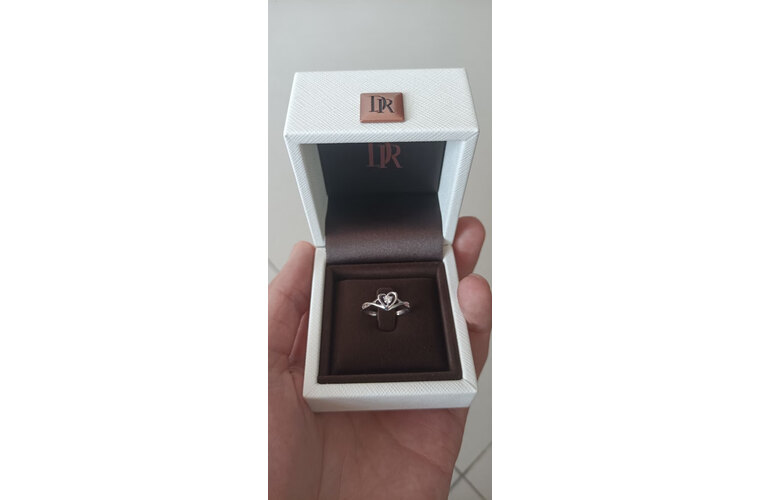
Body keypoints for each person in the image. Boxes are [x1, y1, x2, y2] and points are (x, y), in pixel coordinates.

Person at [269, 217, 492, 500]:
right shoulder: (375, 304)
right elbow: (372, 306)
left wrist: (389, 308)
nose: (385, 301)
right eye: (383, 301)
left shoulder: (396, 304)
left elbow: (400, 306)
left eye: (387, 301)